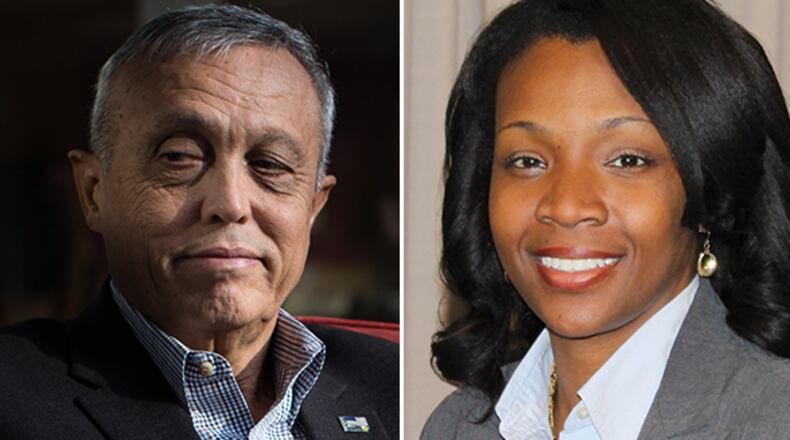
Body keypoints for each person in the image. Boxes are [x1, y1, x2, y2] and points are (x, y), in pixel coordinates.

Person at [0, 5, 398, 439]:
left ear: (313, 206)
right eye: (180, 157)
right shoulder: (13, 393)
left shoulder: (396, 388)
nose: (229, 203)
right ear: (94, 191)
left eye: (269, 164)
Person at [422, 0, 790, 438]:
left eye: (627, 159)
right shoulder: (455, 426)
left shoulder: (771, 416)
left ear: (712, 191)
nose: (566, 206)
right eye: (527, 161)